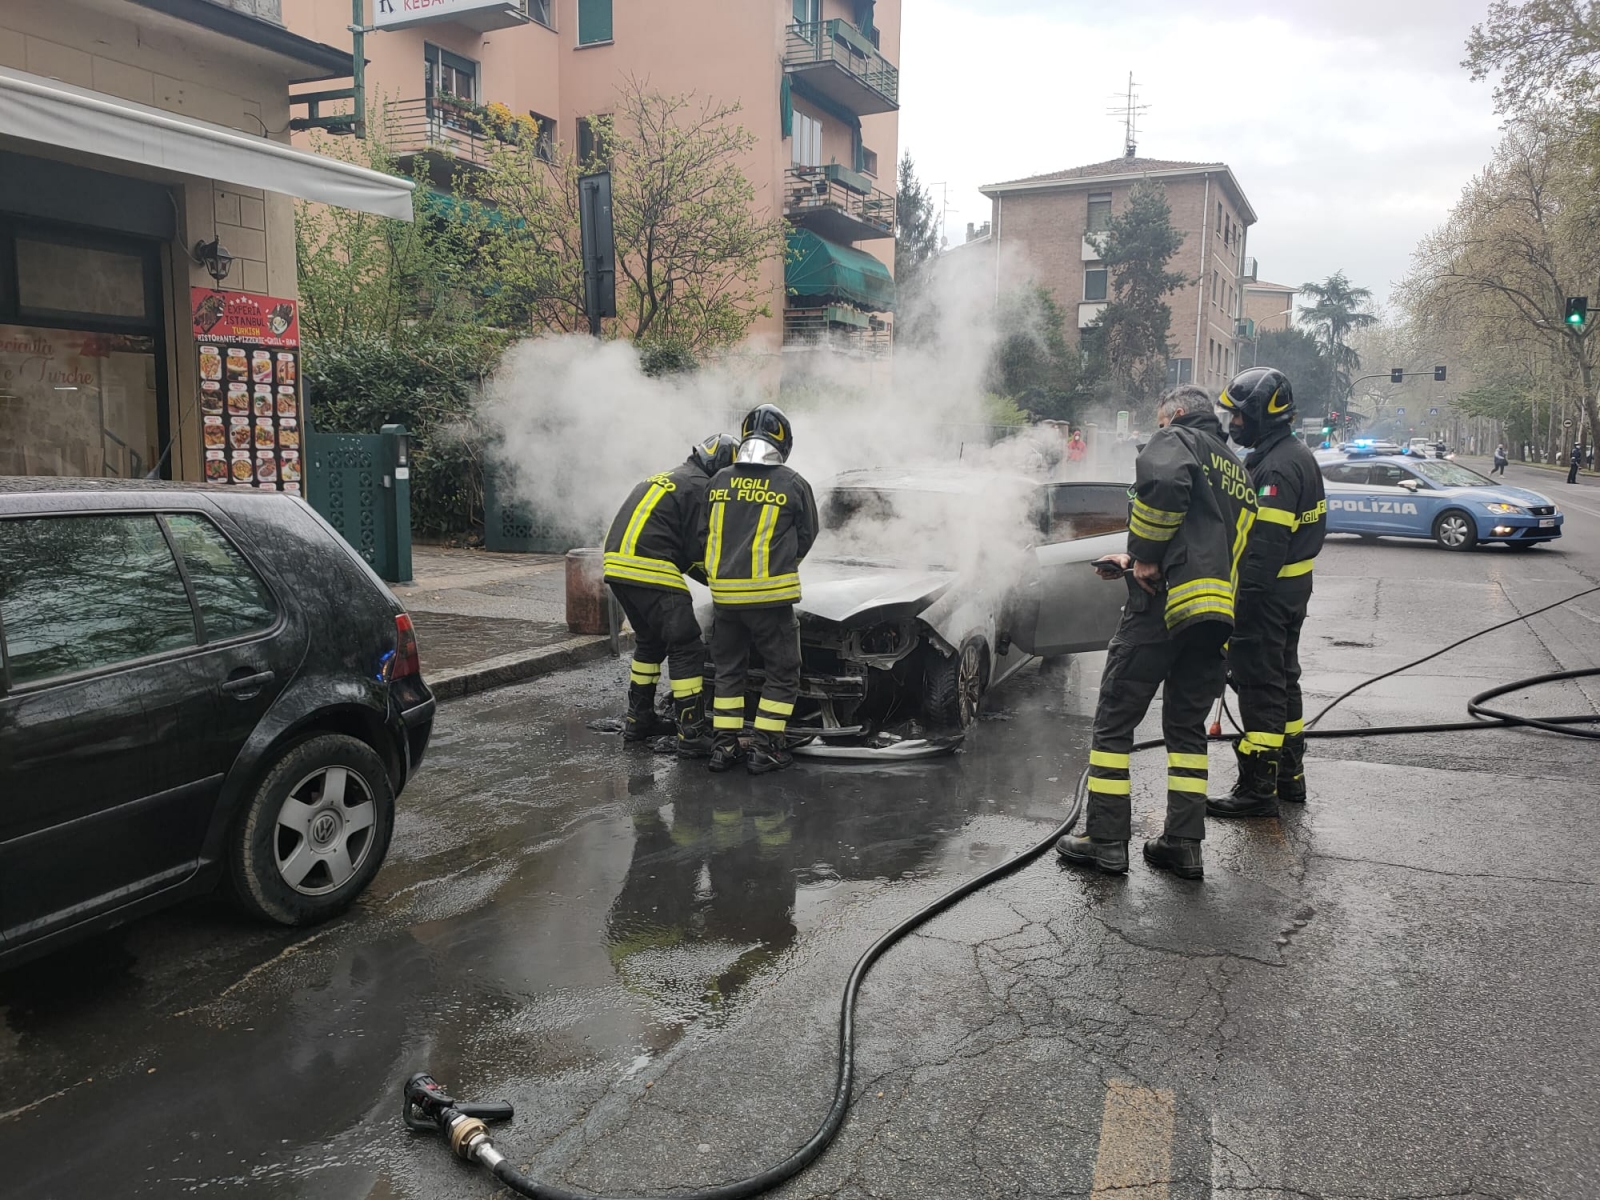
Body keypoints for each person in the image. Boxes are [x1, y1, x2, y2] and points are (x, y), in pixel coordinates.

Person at [1056, 385, 1257, 880]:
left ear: (1178, 414)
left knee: (1113, 722)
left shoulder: (1178, 440)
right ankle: (1183, 844)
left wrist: (1143, 553)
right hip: (1215, 621)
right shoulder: (1239, 473)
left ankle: (1105, 841)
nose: (1158, 429)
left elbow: (1164, 482)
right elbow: (1207, 542)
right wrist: (1134, 560)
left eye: (1161, 420)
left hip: (1162, 609)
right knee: (1186, 732)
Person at [1207, 367, 1327, 818]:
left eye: (1239, 416)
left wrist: (1236, 610)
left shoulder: (1276, 467)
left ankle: (1257, 790)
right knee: (1283, 680)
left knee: (1260, 687)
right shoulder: (1292, 453)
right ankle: (1289, 777)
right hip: (1292, 590)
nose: (1233, 424)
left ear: (1261, 413)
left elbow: (1262, 552)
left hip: (1268, 595)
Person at [602, 433, 739, 756]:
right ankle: (691, 733)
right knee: (687, 644)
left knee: (651, 641)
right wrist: (725, 586)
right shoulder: (701, 488)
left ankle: (640, 719)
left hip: (616, 565)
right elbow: (697, 552)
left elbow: (682, 550)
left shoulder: (669, 476)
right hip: (650, 565)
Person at [701, 404, 819, 775]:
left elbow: (705, 534)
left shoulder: (717, 480)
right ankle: (765, 749)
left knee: (728, 672)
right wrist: (781, 564)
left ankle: (723, 749)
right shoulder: (793, 483)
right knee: (783, 672)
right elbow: (807, 536)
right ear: (783, 444)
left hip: (723, 600)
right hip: (770, 601)